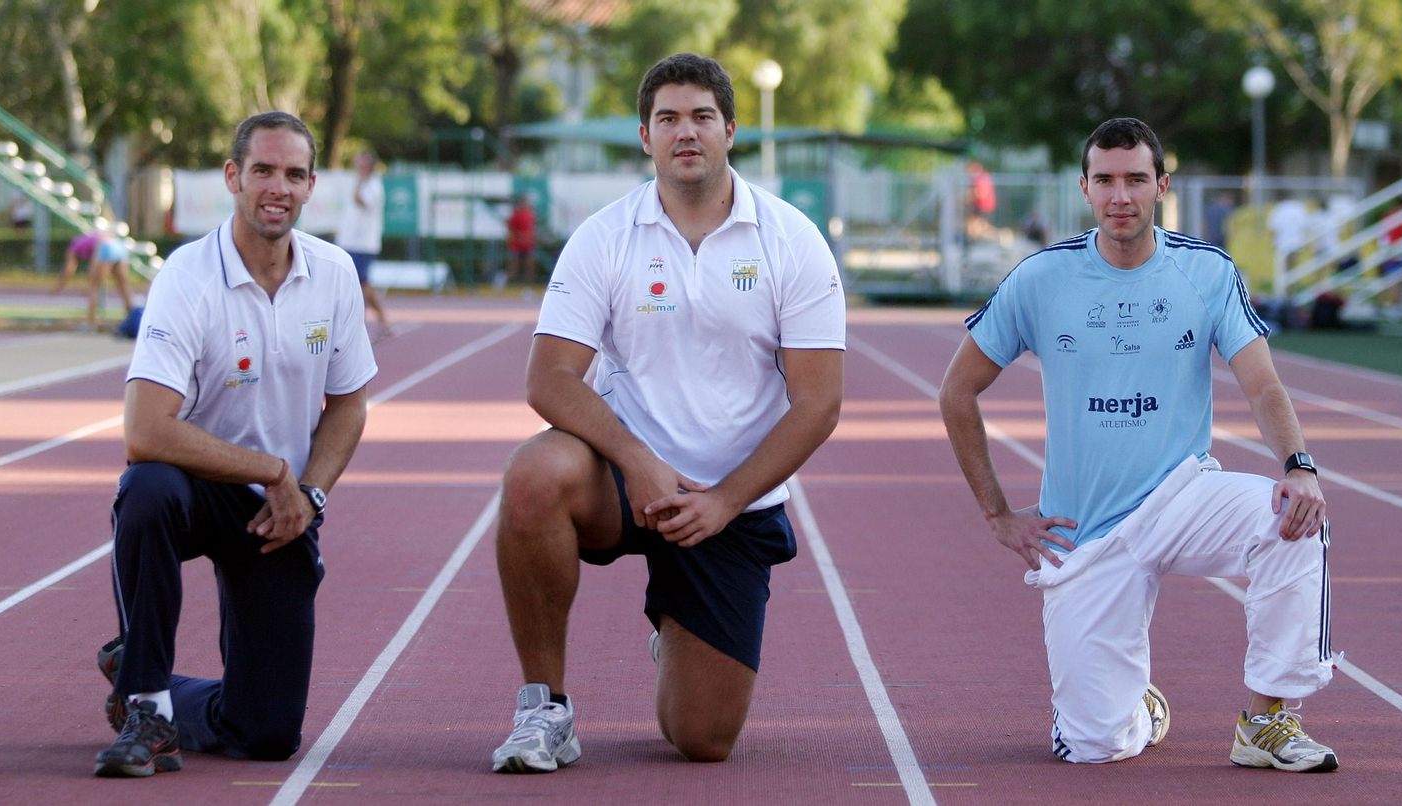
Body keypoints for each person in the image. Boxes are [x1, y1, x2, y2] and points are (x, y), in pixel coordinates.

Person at [940, 118, 1338, 772]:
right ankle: (1139, 707)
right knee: (1093, 746)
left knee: (1294, 520)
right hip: (1085, 530)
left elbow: (1263, 385)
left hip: (1182, 495)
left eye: (1135, 179)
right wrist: (997, 512)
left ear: (1161, 186)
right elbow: (956, 393)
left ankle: (1267, 720)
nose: (1120, 195)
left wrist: (1299, 467)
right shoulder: (1041, 278)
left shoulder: (1206, 273)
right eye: (1105, 180)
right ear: (1085, 187)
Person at [489, 53, 846, 774]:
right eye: (669, 119)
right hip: (626, 480)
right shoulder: (604, 236)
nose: (687, 132)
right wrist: (638, 460)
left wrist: (723, 500)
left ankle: (675, 625)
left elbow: (819, 403)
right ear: (645, 137)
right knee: (532, 475)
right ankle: (545, 708)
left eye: (703, 117)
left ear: (731, 131)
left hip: (731, 499)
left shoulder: (791, 239)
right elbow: (549, 379)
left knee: (702, 741)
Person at [92, 111, 378, 778]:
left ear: (310, 188)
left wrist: (306, 493)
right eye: (263, 171)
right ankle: (144, 705)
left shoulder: (334, 274)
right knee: (146, 489)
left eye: (294, 174)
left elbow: (350, 405)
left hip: (278, 513)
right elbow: (145, 430)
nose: (278, 187)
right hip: (196, 488)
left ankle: (143, 676)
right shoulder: (187, 277)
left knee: (268, 734)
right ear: (233, 177)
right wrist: (274, 469)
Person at [335, 149, 392, 340]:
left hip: (363, 244)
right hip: (351, 242)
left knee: (362, 283)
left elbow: (359, 201)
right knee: (359, 283)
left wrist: (359, 179)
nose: (358, 167)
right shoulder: (361, 183)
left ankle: (371, 322)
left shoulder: (373, 185)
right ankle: (379, 323)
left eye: (362, 163)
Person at [53, 221, 135, 330]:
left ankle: (91, 321)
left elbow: (69, 270)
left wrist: (59, 287)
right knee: (123, 285)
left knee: (94, 286)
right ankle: (132, 318)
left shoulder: (73, 247)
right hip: (119, 245)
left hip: (105, 246)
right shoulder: (86, 239)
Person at [505, 195, 538, 286]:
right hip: (517, 244)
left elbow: (532, 229)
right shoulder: (515, 215)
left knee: (530, 267)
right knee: (514, 267)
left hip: (527, 245)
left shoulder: (531, 215)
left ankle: (529, 288)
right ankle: (502, 282)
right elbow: (511, 230)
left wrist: (531, 239)